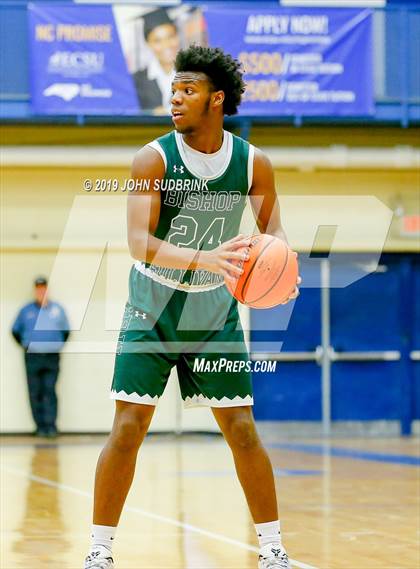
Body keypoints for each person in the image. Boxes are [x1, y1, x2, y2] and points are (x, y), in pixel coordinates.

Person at [84, 46, 300, 569]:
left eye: (188, 90)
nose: (175, 99)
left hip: (212, 312)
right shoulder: (151, 159)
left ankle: (273, 550)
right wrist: (207, 257)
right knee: (130, 425)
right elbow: (139, 241)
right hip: (153, 303)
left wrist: (281, 271)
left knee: (242, 430)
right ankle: (99, 550)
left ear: (216, 99)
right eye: (173, 90)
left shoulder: (254, 163)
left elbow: (274, 232)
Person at [11, 276, 70, 437]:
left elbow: (66, 332)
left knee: (49, 390)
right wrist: (27, 346)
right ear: (34, 290)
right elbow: (15, 331)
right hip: (33, 357)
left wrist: (53, 345)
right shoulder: (26, 311)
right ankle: (40, 427)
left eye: (43, 288)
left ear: (47, 289)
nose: (41, 291)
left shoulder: (57, 310)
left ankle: (51, 427)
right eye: (38, 289)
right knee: (35, 392)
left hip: (52, 356)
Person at [132, 8, 181, 114]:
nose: (166, 45)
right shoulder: (137, 81)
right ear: (148, 44)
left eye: (171, 37)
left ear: (178, 36)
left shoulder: (195, 76)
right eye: (157, 41)